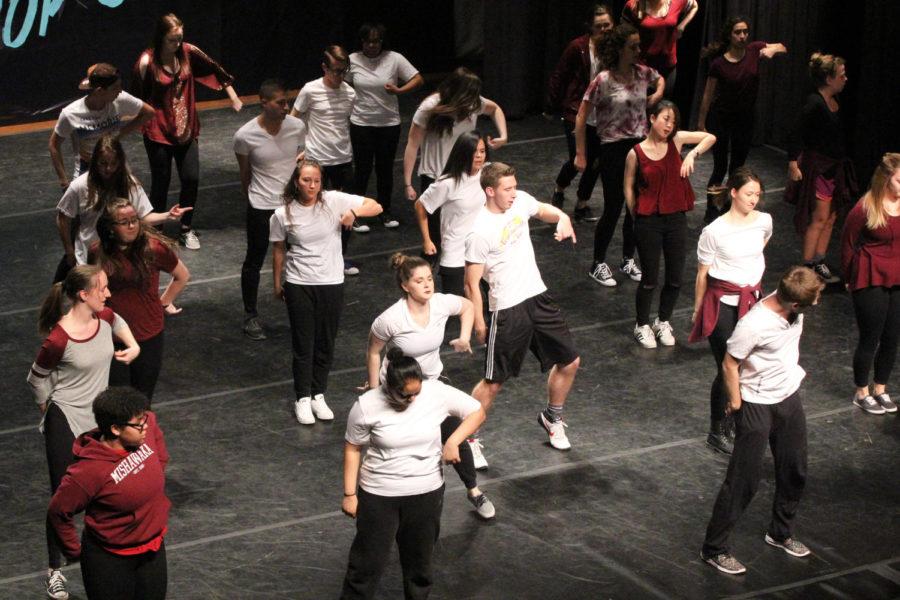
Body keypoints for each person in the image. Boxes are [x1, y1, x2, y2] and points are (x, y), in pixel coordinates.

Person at [700, 266, 824, 575]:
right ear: (795, 304)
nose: (818, 303)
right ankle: (714, 548)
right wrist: (736, 402)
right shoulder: (754, 324)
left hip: (788, 396)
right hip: (756, 402)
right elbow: (730, 363)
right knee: (744, 480)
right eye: (814, 299)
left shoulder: (793, 309)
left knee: (795, 468)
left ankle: (780, 533)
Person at [27, 265, 140, 600]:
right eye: (102, 288)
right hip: (65, 417)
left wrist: (132, 346)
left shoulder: (104, 317)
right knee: (63, 497)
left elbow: (118, 323)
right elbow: (35, 378)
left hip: (98, 418)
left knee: (104, 491)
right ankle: (55, 570)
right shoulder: (59, 338)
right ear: (83, 294)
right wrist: (46, 407)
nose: (107, 293)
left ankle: (107, 556)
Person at [340, 348, 486, 599]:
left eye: (416, 393)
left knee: (420, 566)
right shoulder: (367, 405)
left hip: (425, 495)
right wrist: (350, 494)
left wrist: (453, 441)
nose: (412, 400)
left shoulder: (434, 392)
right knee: (366, 566)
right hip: (378, 496)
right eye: (405, 396)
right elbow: (353, 448)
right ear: (389, 387)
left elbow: (477, 411)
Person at [464, 162, 580, 467]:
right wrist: (478, 319)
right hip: (507, 308)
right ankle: (467, 437)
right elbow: (471, 282)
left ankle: (552, 418)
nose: (514, 193)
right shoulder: (479, 231)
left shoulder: (519, 202)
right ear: (490, 191)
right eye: (507, 189)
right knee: (494, 381)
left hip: (538, 297)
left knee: (570, 361)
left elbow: (543, 209)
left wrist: (563, 218)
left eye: (515, 186)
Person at [366, 253, 495, 519]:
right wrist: (372, 389)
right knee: (398, 443)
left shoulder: (440, 303)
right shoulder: (391, 319)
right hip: (399, 388)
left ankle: (473, 491)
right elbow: (373, 351)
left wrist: (463, 337)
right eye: (419, 281)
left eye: (429, 279)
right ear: (405, 286)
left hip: (431, 383)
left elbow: (468, 307)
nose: (427, 285)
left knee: (456, 436)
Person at [270, 160, 382, 424]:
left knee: (325, 342)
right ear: (296, 181)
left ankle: (319, 393)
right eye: (307, 180)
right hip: (300, 283)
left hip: (331, 282)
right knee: (303, 343)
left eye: (317, 181)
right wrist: (277, 283)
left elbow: (375, 206)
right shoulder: (282, 214)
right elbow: (278, 249)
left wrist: (354, 213)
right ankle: (303, 398)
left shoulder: (333, 200)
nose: (312, 185)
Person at [132, 13, 242, 251]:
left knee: (191, 178)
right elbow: (137, 97)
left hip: (186, 128)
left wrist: (232, 96)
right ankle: (156, 231)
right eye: (173, 39)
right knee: (160, 183)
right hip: (158, 130)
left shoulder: (188, 52)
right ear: (161, 38)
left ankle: (185, 228)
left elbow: (214, 68)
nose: (177, 44)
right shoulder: (146, 62)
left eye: (180, 38)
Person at [48, 387, 170, 600]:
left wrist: (152, 474)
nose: (145, 425)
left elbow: (157, 441)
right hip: (110, 560)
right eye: (138, 423)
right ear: (115, 429)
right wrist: (74, 551)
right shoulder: (89, 470)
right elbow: (58, 511)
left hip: (152, 550)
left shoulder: (146, 428)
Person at [689, 168, 772, 454]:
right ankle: (717, 428)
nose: (754, 199)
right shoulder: (715, 231)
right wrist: (698, 308)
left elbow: (760, 246)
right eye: (749, 194)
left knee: (748, 365)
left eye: (757, 195)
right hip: (722, 304)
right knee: (728, 366)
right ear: (733, 193)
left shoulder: (764, 221)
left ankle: (737, 418)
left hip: (753, 302)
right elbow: (702, 274)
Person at [576, 23, 664, 286]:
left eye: (639, 45)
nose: (638, 50)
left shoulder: (642, 73)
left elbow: (660, 79)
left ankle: (627, 259)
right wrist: (581, 153)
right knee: (614, 205)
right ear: (619, 50)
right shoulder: (603, 80)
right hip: (613, 148)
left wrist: (656, 95)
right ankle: (598, 263)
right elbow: (581, 117)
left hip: (640, 147)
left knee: (636, 206)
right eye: (633, 46)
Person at [624, 100, 715, 348]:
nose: (669, 125)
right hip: (648, 220)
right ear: (652, 118)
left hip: (675, 218)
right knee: (650, 278)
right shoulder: (636, 153)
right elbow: (628, 186)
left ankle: (663, 321)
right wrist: (637, 215)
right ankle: (642, 324)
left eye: (673, 121)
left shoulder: (676, 142)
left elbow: (710, 137)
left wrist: (692, 155)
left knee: (675, 277)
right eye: (665, 118)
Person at [403, 67, 508, 265]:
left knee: (466, 230)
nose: (473, 103)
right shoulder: (430, 107)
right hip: (437, 177)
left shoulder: (473, 104)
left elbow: (494, 109)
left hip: (464, 176)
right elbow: (412, 144)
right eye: (469, 96)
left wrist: (503, 135)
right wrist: (408, 182)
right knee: (436, 238)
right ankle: (426, 278)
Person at [55, 134, 189, 282]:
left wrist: (168, 215)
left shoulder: (129, 183)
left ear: (120, 162)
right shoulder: (79, 186)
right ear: (94, 163)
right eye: (103, 163)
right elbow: (63, 218)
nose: (108, 168)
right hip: (91, 258)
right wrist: (69, 251)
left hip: (121, 258)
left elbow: (143, 217)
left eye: (113, 163)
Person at [93, 198, 190, 401]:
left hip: (147, 333)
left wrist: (163, 303)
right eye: (124, 222)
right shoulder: (97, 252)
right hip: (111, 336)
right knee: (116, 401)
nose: (132, 225)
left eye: (134, 220)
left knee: (141, 400)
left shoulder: (152, 249)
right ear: (111, 227)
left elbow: (182, 276)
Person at [234, 79, 307, 340]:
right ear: (264, 103)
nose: (286, 107)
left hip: (290, 206)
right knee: (254, 259)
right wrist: (252, 197)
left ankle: (300, 310)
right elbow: (245, 173)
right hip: (261, 206)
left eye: (286, 102)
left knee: (297, 257)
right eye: (280, 103)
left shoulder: (296, 127)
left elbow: (300, 161)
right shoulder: (245, 135)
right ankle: (250, 315)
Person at [697, 17, 787, 224]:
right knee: (720, 167)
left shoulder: (754, 50)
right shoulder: (719, 64)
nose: (743, 36)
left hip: (745, 119)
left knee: (737, 167)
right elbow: (707, 95)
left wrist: (773, 50)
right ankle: (711, 210)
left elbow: (782, 46)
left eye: (745, 31)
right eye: (738, 32)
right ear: (730, 35)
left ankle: (728, 207)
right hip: (721, 118)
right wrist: (701, 123)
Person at [291, 45, 366, 273]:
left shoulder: (350, 93)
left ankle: (340, 258)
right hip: (317, 162)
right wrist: (297, 149)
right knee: (314, 213)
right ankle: (315, 258)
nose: (339, 76)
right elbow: (293, 121)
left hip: (342, 159)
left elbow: (347, 123)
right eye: (335, 70)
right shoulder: (310, 90)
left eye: (343, 71)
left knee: (345, 213)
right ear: (324, 68)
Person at [785, 52, 857, 283]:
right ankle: (807, 267)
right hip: (818, 167)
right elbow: (795, 131)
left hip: (834, 167)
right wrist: (793, 162)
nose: (845, 79)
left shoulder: (836, 102)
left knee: (832, 216)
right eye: (841, 75)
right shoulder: (814, 102)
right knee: (819, 217)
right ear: (828, 79)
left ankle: (819, 260)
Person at [347, 23, 424, 228]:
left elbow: (418, 79)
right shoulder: (353, 60)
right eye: (368, 41)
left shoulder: (394, 58)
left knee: (385, 169)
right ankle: (356, 213)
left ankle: (384, 210)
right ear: (362, 41)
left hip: (388, 123)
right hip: (361, 122)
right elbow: (343, 83)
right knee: (362, 169)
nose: (372, 45)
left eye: (376, 41)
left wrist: (399, 90)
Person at [841, 152, 900, 415]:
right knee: (871, 337)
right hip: (871, 274)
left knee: (892, 337)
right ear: (887, 180)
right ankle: (861, 391)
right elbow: (847, 242)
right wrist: (849, 276)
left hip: (898, 276)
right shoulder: (866, 206)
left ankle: (880, 388)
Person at [546, 4, 614, 221]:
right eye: (599, 26)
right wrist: (552, 105)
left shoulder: (614, 47)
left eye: (607, 25)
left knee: (597, 160)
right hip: (577, 110)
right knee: (578, 158)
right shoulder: (578, 47)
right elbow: (560, 74)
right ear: (590, 27)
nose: (604, 29)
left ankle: (582, 203)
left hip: (603, 112)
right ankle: (559, 187)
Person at [49, 63, 154, 189]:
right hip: (87, 169)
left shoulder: (120, 99)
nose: (120, 90)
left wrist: (119, 135)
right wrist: (63, 181)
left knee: (127, 204)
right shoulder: (71, 113)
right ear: (100, 91)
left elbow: (149, 113)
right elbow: (54, 145)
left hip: (116, 165)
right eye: (115, 87)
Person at [415, 130, 488, 295]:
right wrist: (427, 240)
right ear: (463, 154)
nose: (479, 156)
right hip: (456, 252)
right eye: (473, 152)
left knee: (492, 302)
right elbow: (420, 205)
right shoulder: (448, 183)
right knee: (455, 307)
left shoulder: (487, 174)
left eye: (482, 151)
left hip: (482, 249)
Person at [621, 0, 698, 97]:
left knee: (664, 105)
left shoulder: (676, 2)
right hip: (642, 67)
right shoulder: (634, 5)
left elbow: (694, 6)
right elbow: (623, 34)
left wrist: (682, 26)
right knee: (641, 105)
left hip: (667, 67)